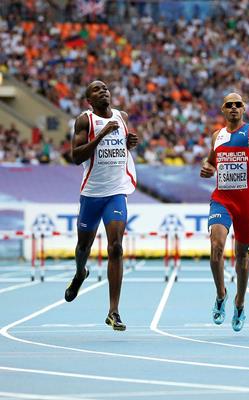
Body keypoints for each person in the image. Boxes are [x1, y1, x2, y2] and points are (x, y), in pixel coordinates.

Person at [65, 80, 138, 331]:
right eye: (96, 89)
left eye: (105, 88)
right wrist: (102, 134)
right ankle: (79, 274)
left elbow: (122, 145)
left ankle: (113, 311)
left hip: (116, 192)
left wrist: (129, 144)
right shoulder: (85, 121)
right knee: (83, 246)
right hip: (92, 194)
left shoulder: (122, 116)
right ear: (89, 100)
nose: (103, 91)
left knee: (116, 246)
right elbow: (76, 157)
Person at [200, 93, 249, 332]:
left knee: (242, 255)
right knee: (217, 247)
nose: (234, 108)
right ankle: (221, 294)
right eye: (229, 105)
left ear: (243, 109)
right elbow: (211, 161)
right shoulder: (217, 136)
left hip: (246, 203)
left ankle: (240, 303)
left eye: (238, 105)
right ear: (223, 110)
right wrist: (208, 167)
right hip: (222, 199)